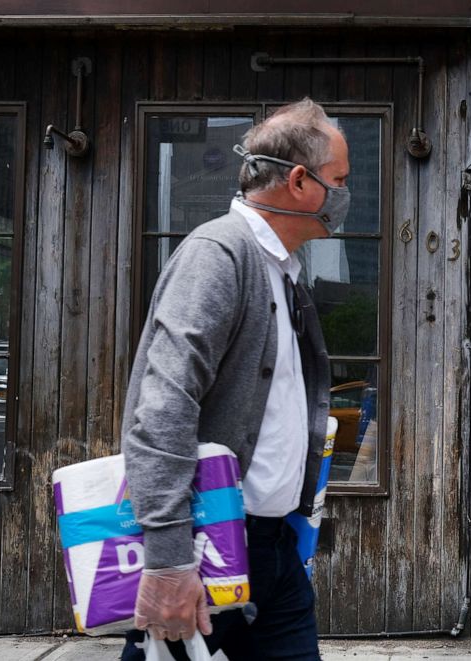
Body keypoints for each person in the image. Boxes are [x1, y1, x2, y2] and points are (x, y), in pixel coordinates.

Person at [119, 98, 349, 661]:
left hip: (271, 551)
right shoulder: (218, 256)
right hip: (205, 545)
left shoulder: (283, 271)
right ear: (300, 181)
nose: (345, 196)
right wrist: (169, 559)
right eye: (339, 181)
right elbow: (162, 409)